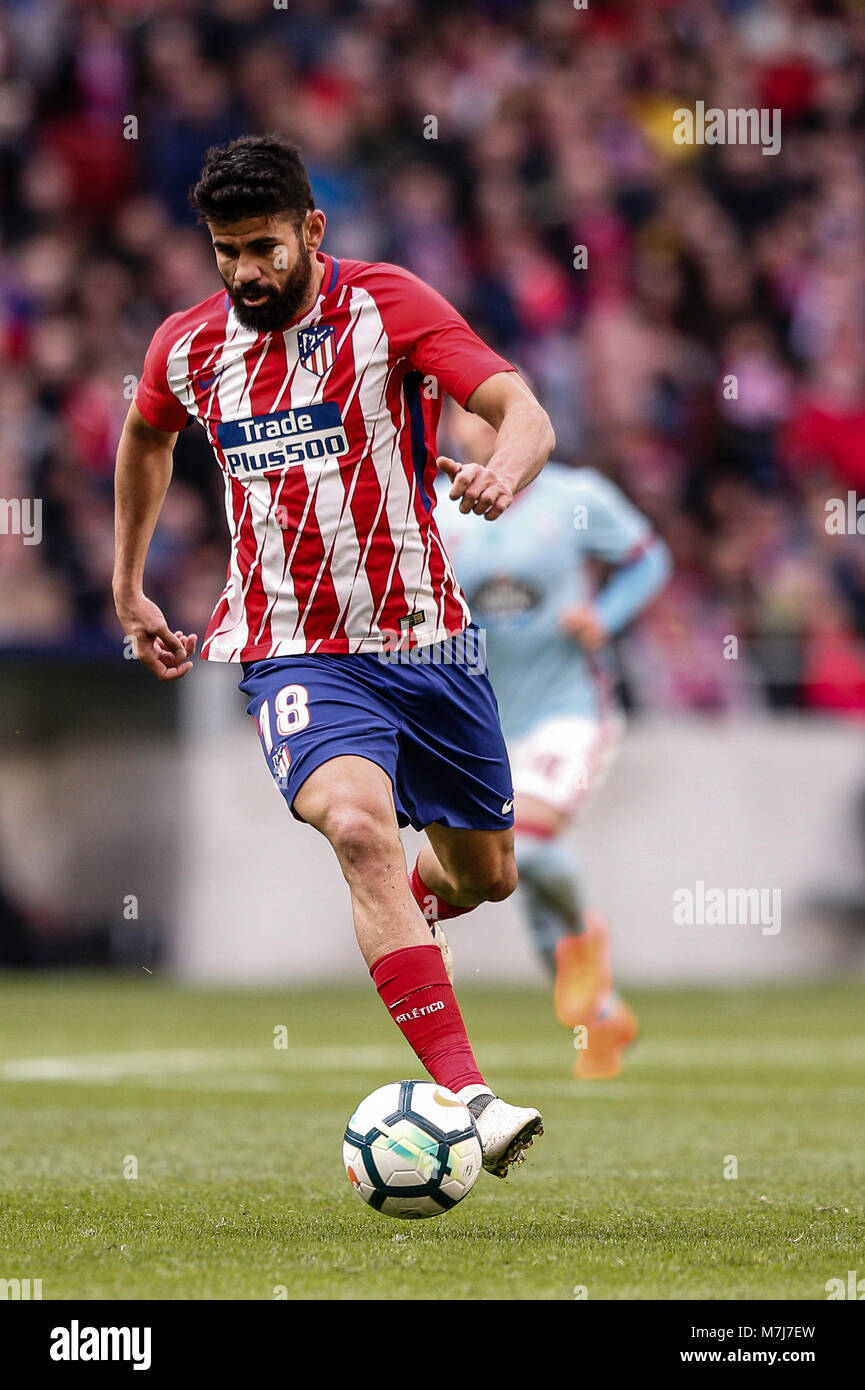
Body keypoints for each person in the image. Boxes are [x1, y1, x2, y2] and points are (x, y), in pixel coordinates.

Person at [112, 135, 555, 1176]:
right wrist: (128, 583)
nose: (245, 273)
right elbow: (145, 438)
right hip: (293, 648)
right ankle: (470, 1097)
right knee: (356, 827)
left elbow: (517, 408)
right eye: (225, 252)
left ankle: (406, 908)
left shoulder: (388, 305)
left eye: (263, 247)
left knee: (486, 878)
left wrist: (506, 472)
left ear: (312, 230)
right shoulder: (185, 348)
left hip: (429, 642)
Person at [438, 401, 671, 1079]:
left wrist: (606, 615)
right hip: (484, 725)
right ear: (453, 429)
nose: (483, 426)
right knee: (512, 873)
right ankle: (600, 1019)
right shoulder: (441, 513)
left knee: (532, 846)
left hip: (571, 709)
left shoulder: (576, 498)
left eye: (495, 413)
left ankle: (587, 949)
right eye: (469, 415)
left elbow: (647, 559)